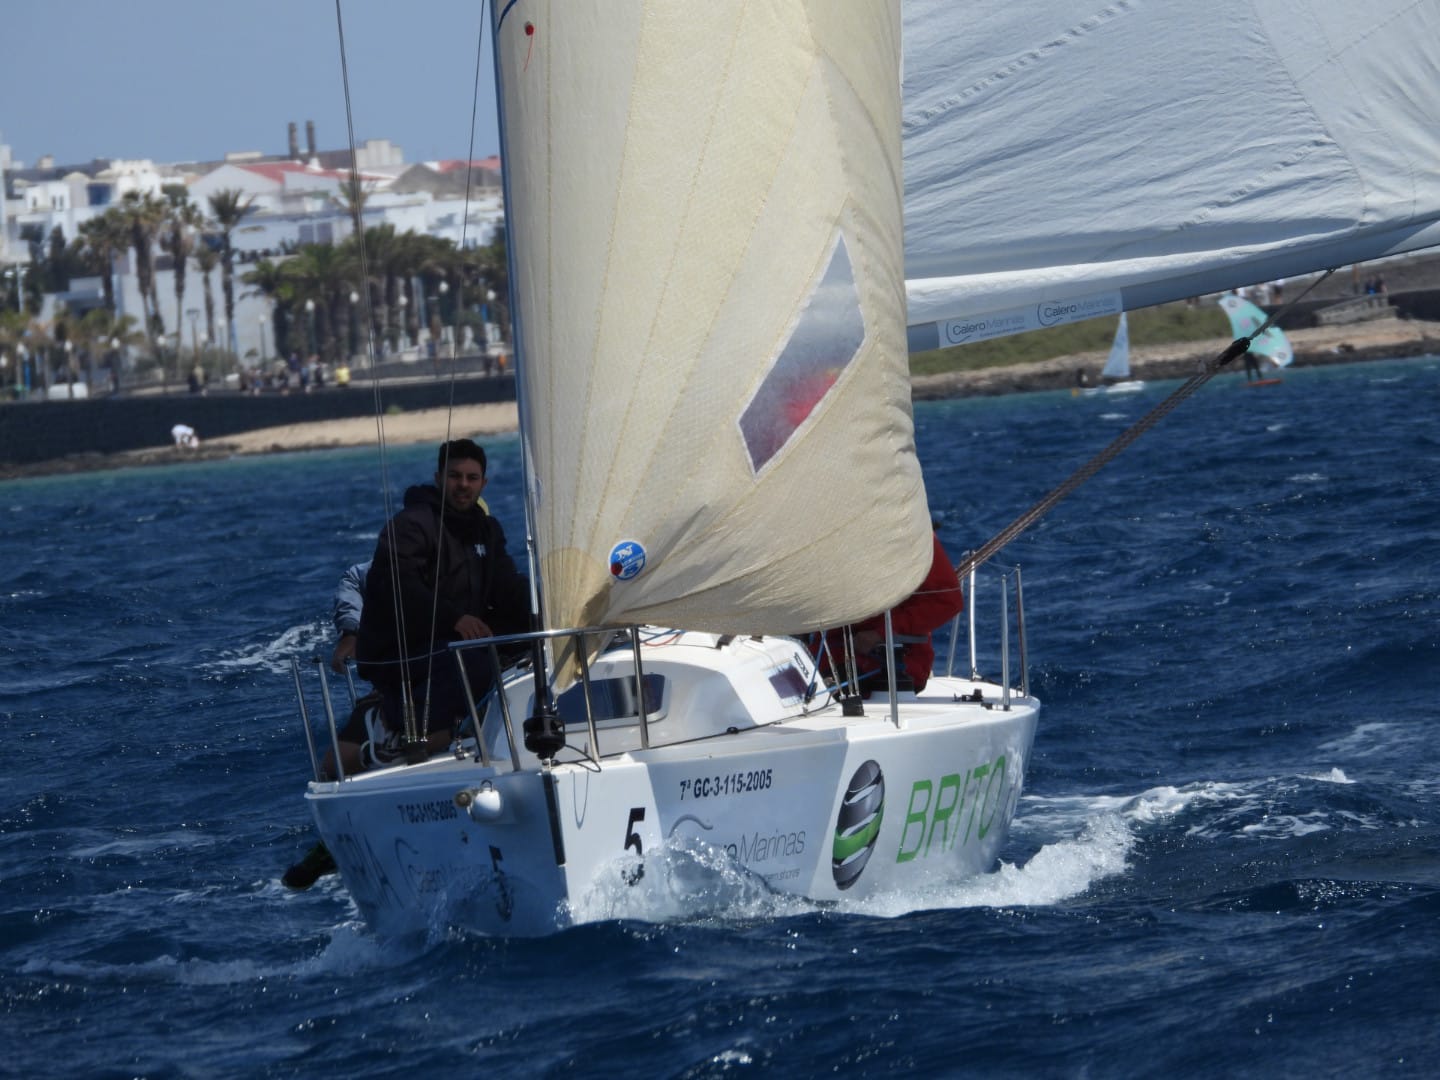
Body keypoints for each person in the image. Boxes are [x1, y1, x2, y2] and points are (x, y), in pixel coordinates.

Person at [347, 438, 532, 774]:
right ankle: (401, 734)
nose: (463, 485)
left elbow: (506, 585)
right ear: (438, 478)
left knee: (531, 636)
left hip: (452, 640)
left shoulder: (487, 530)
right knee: (474, 657)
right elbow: (398, 585)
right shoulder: (411, 525)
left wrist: (542, 611)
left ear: (483, 483)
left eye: (472, 478)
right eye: (455, 476)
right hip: (402, 650)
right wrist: (454, 619)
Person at [814, 531, 964, 696]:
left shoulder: (909, 531)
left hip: (884, 666)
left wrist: (881, 633)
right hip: (814, 660)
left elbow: (947, 601)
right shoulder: (823, 531)